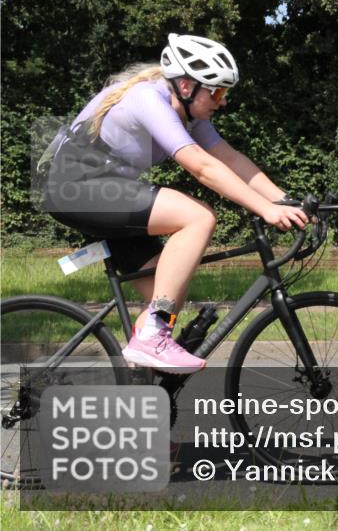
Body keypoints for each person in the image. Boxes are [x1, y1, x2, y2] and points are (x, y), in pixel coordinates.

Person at [39, 33, 308, 373]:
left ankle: (139, 381)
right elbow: (202, 166)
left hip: (105, 189)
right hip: (77, 186)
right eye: (218, 91)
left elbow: (230, 159)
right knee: (197, 217)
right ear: (186, 86)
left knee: (168, 293)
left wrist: (285, 201)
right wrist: (266, 210)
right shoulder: (147, 99)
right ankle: (152, 337)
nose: (222, 101)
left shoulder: (189, 115)